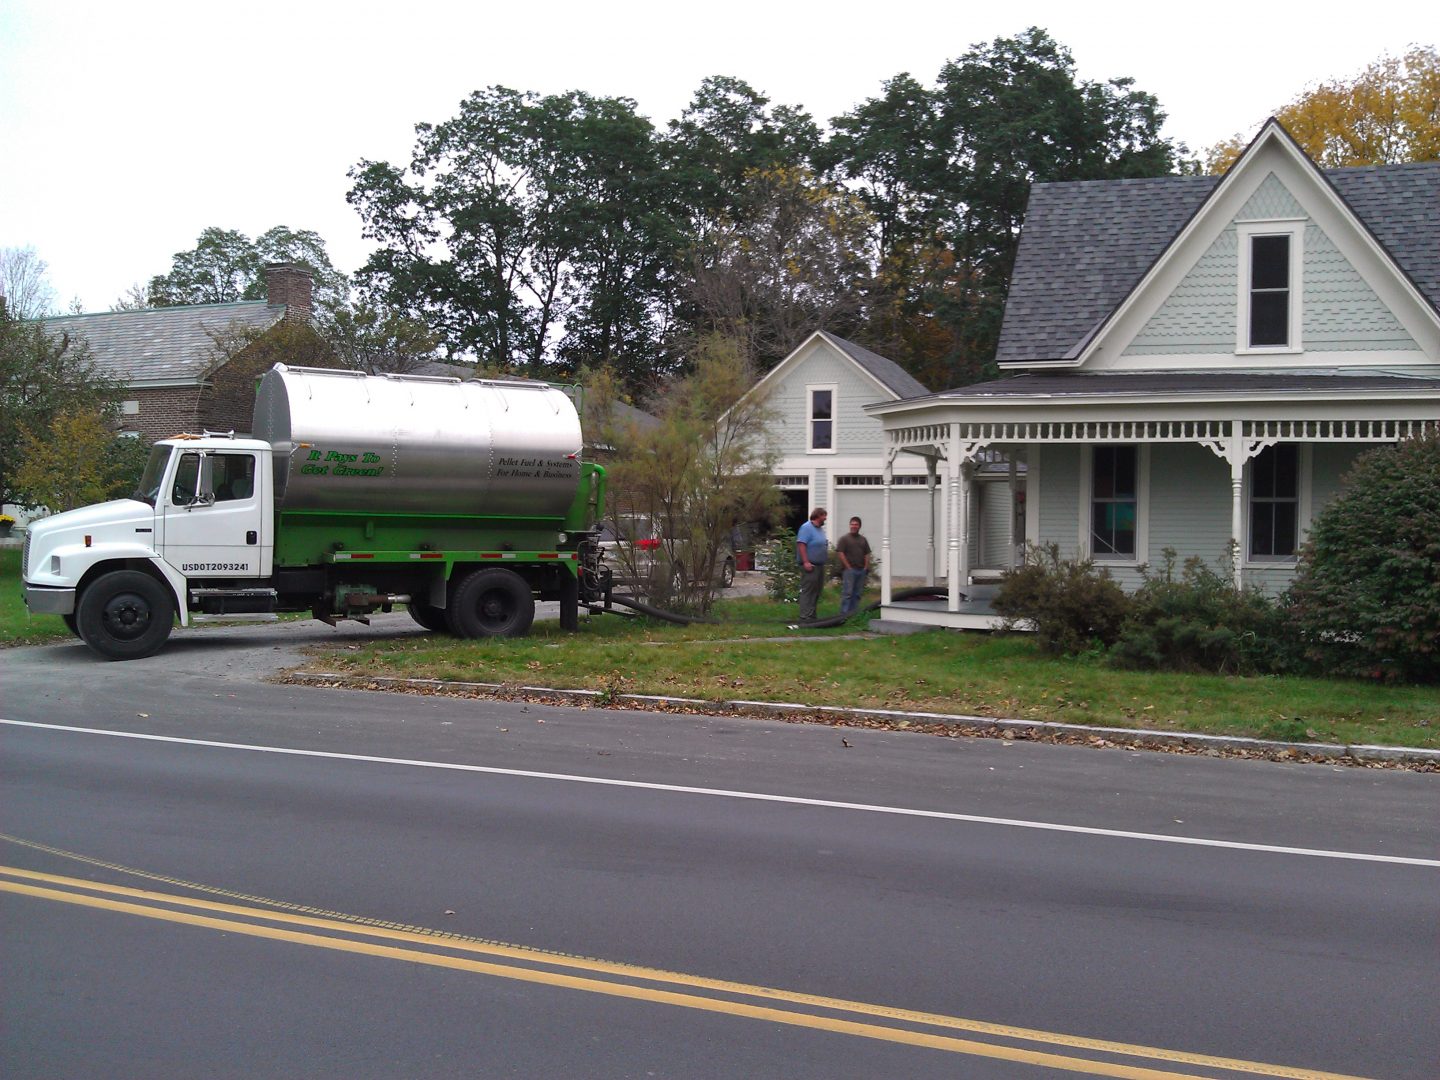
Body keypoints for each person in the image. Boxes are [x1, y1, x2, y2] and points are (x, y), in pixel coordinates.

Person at [795, 508, 828, 623]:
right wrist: (806, 562)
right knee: (808, 590)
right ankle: (805, 616)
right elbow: (801, 544)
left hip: (819, 565)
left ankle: (812, 614)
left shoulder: (820, 530)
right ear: (818, 516)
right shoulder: (807, 528)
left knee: (817, 591)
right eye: (824, 516)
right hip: (810, 565)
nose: (825, 518)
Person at [835, 516, 872, 617]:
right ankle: (843, 615)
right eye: (852, 524)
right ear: (849, 525)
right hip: (849, 571)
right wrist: (848, 567)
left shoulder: (863, 540)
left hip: (861, 570)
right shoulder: (844, 539)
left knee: (857, 594)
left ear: (859, 526)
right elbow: (840, 553)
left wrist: (866, 567)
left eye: (856, 524)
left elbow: (867, 553)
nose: (854, 526)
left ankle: (853, 614)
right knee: (847, 593)